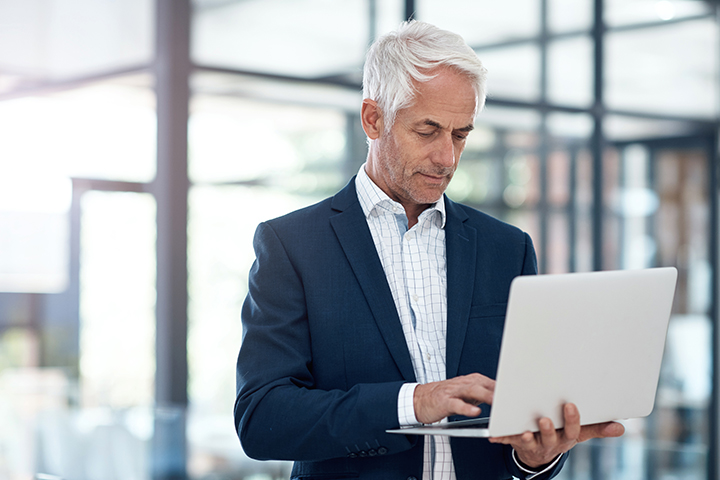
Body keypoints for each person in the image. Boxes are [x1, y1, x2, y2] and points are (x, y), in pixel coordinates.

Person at [234, 20, 624, 480]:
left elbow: (516, 421)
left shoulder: (507, 249)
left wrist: (535, 456)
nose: (448, 158)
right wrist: (415, 402)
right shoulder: (292, 245)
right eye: (428, 130)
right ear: (373, 119)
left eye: (460, 135)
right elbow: (262, 418)